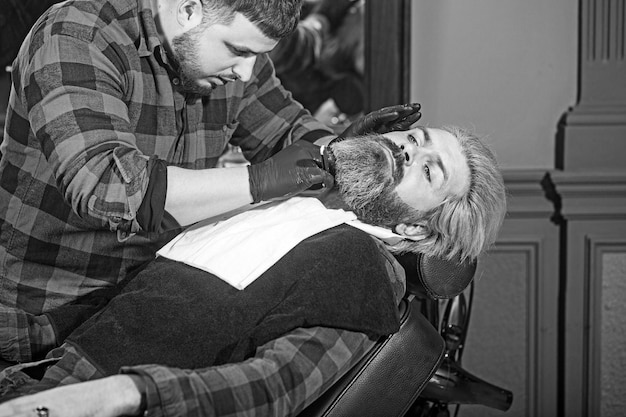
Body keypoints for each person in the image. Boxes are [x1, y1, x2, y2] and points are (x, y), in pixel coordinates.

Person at [0, 0, 422, 365]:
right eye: (237, 51)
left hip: (138, 307)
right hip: (40, 312)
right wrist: (260, 181)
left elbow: (288, 130)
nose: (246, 72)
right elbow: (109, 187)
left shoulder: (237, 63)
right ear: (188, 9)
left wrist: (342, 152)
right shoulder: (76, 35)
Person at [0, 125, 507, 416]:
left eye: (427, 169)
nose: (407, 149)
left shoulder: (362, 271)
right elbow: (133, 312)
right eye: (415, 138)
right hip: (43, 375)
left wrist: (123, 395)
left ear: (418, 232)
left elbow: (273, 389)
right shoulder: (287, 203)